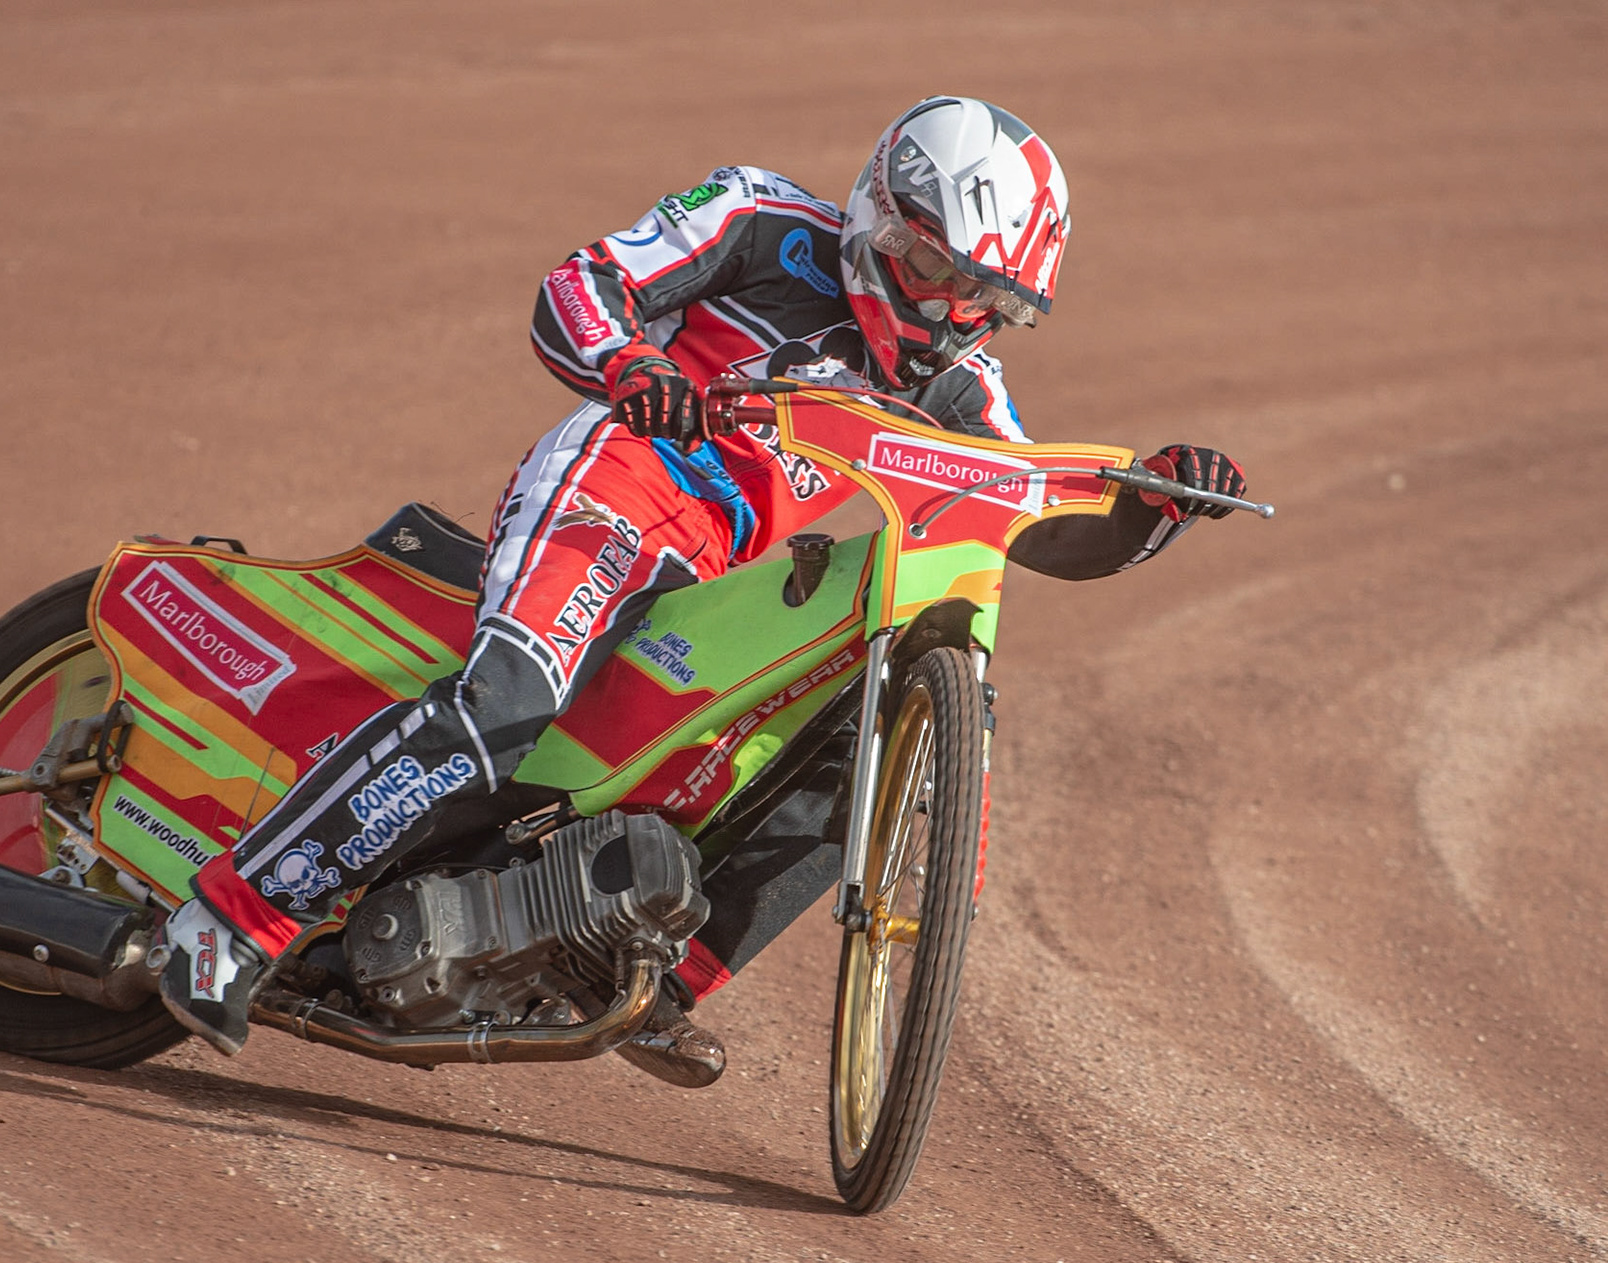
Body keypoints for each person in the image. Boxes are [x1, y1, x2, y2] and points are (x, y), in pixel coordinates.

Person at [153, 97, 1247, 1085]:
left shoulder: (963, 387)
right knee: (504, 711)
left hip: (709, 578)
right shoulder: (762, 217)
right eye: (939, 273)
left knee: (852, 744)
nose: (956, 314)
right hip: (612, 492)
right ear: (882, 217)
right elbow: (578, 287)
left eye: (989, 299)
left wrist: (1155, 509)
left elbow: (1039, 527)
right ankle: (231, 915)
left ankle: (644, 982)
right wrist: (635, 365)